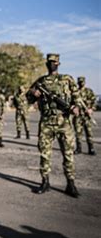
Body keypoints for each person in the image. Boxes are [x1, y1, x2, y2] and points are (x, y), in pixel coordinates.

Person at [27, 53, 82, 197]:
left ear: (58, 64)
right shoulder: (41, 81)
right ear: (47, 64)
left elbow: (77, 98)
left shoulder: (67, 79)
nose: (52, 64)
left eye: (55, 62)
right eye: (50, 62)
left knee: (68, 154)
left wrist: (76, 107)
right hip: (46, 122)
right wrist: (34, 93)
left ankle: (70, 184)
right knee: (45, 154)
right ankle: (45, 182)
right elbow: (28, 97)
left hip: (64, 121)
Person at [73, 76, 96, 155]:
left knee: (89, 133)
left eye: (82, 82)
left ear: (84, 82)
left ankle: (91, 149)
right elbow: (71, 103)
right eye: (80, 82)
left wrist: (91, 109)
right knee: (78, 134)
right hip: (78, 116)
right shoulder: (75, 92)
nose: (81, 83)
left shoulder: (89, 91)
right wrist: (74, 109)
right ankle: (79, 149)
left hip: (87, 116)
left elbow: (94, 101)